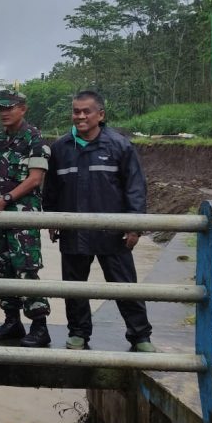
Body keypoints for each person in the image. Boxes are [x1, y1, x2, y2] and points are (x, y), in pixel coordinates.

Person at [44, 90, 155, 352]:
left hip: (112, 232)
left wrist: (134, 226)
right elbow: (51, 190)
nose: (80, 116)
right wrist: (50, 218)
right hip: (74, 230)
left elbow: (135, 188)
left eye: (86, 111)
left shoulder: (120, 146)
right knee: (74, 288)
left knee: (125, 286)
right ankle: (78, 333)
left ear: (100, 115)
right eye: (76, 111)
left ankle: (140, 336)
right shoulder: (61, 148)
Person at [0, 88, 52, 347]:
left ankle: (40, 327)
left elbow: (35, 178)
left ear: (23, 108)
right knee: (0, 267)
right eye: (1, 108)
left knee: (26, 268)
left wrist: (5, 200)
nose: (5, 112)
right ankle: (12, 321)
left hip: (23, 217)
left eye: (10, 107)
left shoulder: (34, 139)